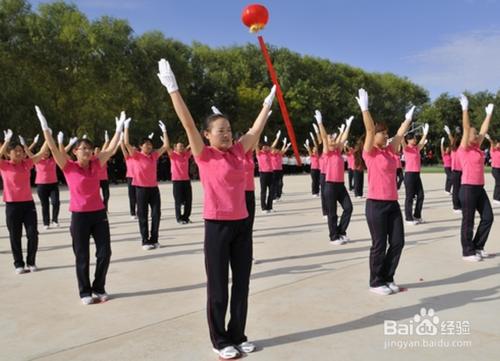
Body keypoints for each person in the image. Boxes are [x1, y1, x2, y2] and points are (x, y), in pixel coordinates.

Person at [157, 58, 275, 359]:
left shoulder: (239, 151)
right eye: (220, 130)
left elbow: (256, 128)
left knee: (242, 285)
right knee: (219, 287)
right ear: (207, 135)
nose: (226, 133)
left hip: (241, 225)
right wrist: (173, 89)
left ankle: (238, 335)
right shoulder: (204, 154)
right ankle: (220, 340)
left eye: (228, 129)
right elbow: (185, 122)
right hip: (217, 226)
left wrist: (266, 103)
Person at [35, 106, 124, 304]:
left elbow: (110, 149)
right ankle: (85, 291)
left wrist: (119, 130)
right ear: (75, 151)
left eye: (88, 148)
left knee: (104, 253)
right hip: (80, 216)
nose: (85, 150)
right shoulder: (68, 166)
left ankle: (98, 287)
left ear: (92, 152)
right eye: (81, 148)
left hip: (99, 215)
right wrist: (45, 127)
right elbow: (51, 146)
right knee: (82, 256)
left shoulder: (96, 163)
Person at [357, 88, 414, 296]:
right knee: (379, 245)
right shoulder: (370, 152)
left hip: (392, 203)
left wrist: (408, 119)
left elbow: (400, 134)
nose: (386, 135)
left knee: (398, 242)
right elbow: (370, 132)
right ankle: (375, 281)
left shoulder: (390, 151)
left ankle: (388, 277)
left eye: (386, 133)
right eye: (383, 132)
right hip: (376, 204)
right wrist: (365, 109)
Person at [0, 131, 45, 274]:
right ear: (9, 153)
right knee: (15, 235)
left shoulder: (27, 164)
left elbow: (41, 153)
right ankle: (18, 264)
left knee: (33, 234)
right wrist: (6, 141)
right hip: (12, 205)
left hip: (28, 205)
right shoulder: (4, 165)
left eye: (21, 151)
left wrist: (47, 134)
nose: (20, 154)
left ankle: (31, 262)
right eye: (16, 151)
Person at [457, 95, 494, 262]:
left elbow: (484, 130)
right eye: (474, 132)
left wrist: (489, 114)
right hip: (467, 188)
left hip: (479, 187)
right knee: (468, 221)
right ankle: (467, 250)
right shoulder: (464, 148)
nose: (476, 134)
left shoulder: (477, 147)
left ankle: (478, 246)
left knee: (488, 217)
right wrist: (465, 109)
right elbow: (466, 128)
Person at [124, 118, 169, 250]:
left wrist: (164, 131)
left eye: (150, 144)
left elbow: (166, 146)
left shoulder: (154, 155)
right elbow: (126, 143)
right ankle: (145, 241)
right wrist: (126, 127)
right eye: (145, 144)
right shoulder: (136, 155)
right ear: (140, 147)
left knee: (156, 214)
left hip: (154, 189)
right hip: (141, 189)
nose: (149, 146)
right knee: (143, 216)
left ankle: (154, 239)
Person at [316, 111, 353, 245]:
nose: (333, 141)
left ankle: (341, 232)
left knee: (348, 208)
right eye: (331, 139)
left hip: (340, 185)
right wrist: (320, 123)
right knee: (332, 214)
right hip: (330, 185)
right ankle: (333, 237)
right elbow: (325, 138)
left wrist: (348, 126)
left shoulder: (338, 151)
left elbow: (343, 138)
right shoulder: (326, 153)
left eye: (334, 139)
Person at [164, 130, 193, 224]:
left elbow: (193, 146)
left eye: (182, 146)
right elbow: (167, 147)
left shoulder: (186, 155)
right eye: (179, 146)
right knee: (178, 201)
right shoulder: (173, 155)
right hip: (177, 181)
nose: (181, 148)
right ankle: (179, 218)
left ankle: (186, 217)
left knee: (188, 200)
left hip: (186, 180)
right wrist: (165, 132)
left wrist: (193, 134)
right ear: (175, 148)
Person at [402, 125, 428, 225]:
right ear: (408, 140)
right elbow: (401, 141)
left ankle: (417, 215)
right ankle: (408, 218)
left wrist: (425, 133)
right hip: (409, 175)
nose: (415, 140)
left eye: (415, 138)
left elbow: (422, 142)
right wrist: (401, 135)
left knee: (421, 195)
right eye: (413, 138)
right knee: (409, 197)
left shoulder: (416, 148)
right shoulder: (406, 148)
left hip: (417, 174)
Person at [34, 137, 61, 230]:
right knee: (44, 204)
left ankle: (55, 220)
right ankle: (46, 223)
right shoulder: (37, 161)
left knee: (56, 202)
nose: (46, 153)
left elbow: (61, 152)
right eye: (44, 151)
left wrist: (57, 140)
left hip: (53, 185)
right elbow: (28, 153)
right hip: (41, 185)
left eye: (48, 151)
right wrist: (34, 142)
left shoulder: (53, 160)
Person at [446, 125, 462, 213]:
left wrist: (454, 133)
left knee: (461, 189)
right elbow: (453, 140)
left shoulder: (461, 149)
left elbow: (453, 140)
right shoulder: (454, 149)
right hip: (456, 171)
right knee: (456, 189)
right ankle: (456, 206)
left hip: (461, 171)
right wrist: (454, 133)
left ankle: (460, 205)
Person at [271, 132, 290, 202]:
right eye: (275, 149)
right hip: (273, 170)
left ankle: (278, 196)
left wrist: (286, 145)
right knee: (274, 184)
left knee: (280, 183)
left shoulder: (279, 154)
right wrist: (277, 138)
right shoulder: (271, 155)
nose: (276, 150)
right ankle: (274, 197)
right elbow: (272, 147)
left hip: (280, 170)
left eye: (277, 149)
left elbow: (283, 151)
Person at [256, 136, 274, 213]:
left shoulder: (269, 153)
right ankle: (264, 208)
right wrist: (256, 136)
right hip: (263, 174)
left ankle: (269, 207)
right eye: (264, 146)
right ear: (262, 147)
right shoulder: (259, 154)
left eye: (267, 146)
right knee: (264, 191)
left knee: (272, 191)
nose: (266, 147)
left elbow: (273, 146)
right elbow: (256, 145)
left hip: (270, 173)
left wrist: (276, 138)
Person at [120, 141, 137, 219]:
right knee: (132, 196)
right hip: (130, 178)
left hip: (139, 178)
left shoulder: (139, 158)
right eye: (131, 149)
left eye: (134, 150)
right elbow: (123, 149)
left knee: (139, 197)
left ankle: (140, 212)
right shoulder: (128, 157)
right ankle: (133, 213)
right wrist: (121, 141)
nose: (132, 150)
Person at [486, 134, 500, 204]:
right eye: (498, 144)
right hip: (495, 169)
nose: (499, 145)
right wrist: (489, 138)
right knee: (498, 182)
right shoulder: (493, 150)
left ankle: (498, 197)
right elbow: (491, 143)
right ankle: (496, 198)